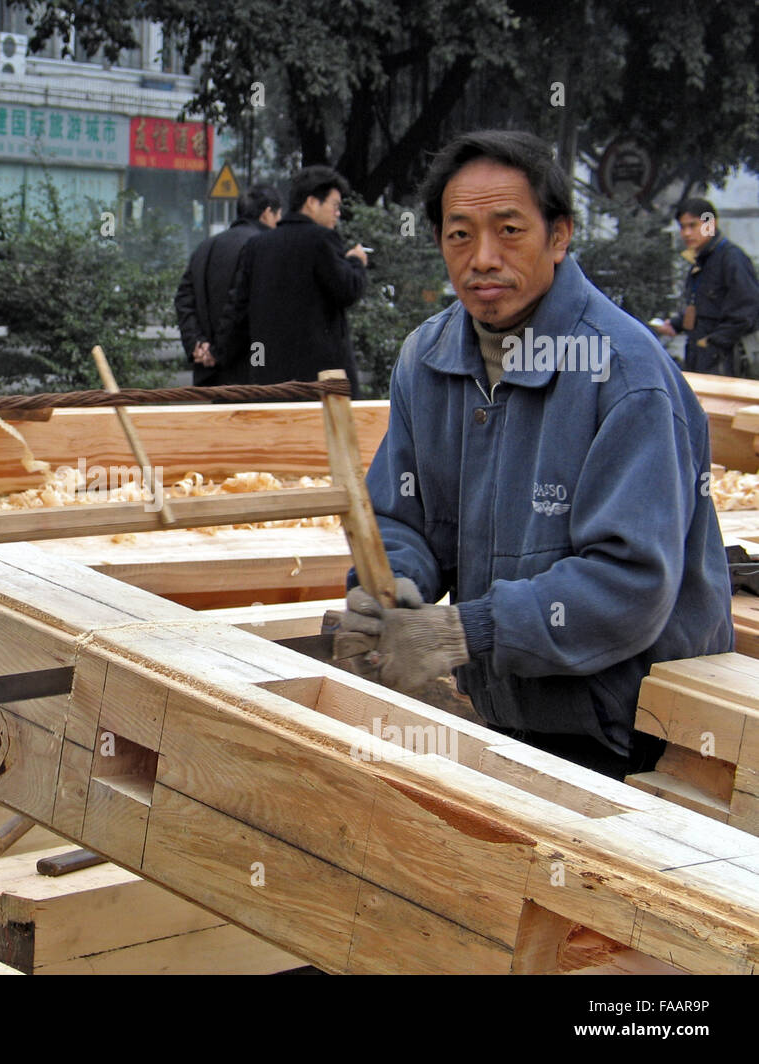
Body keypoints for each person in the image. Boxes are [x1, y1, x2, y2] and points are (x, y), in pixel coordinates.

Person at [331, 130, 733, 780]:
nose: (482, 258)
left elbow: (630, 583)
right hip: (505, 706)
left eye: (509, 230)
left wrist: (469, 631)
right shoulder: (427, 361)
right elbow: (401, 516)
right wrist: (393, 589)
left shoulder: (623, 373)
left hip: (634, 729)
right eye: (459, 234)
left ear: (559, 236)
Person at [214, 165, 368, 394]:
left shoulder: (258, 245)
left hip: (270, 378)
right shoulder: (322, 239)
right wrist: (356, 262)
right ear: (312, 202)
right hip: (321, 383)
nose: (338, 213)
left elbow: (237, 309)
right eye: (334, 205)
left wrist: (219, 354)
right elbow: (347, 290)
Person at [174, 185, 282, 386]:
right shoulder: (264, 247)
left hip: (211, 373)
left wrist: (197, 344)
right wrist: (218, 352)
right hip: (253, 367)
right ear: (267, 213)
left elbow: (183, 299)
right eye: (278, 216)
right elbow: (242, 305)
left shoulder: (205, 247)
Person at [653, 198, 759, 376]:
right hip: (700, 358)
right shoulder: (702, 260)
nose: (686, 233)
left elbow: (746, 311)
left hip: (727, 362)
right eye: (682, 227)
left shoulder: (731, 258)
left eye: (692, 226)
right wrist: (676, 324)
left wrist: (712, 343)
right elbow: (701, 307)